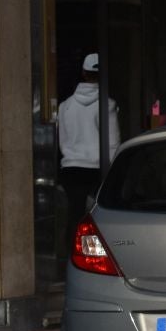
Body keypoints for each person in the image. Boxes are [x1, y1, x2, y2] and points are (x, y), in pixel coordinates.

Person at [52, 52, 122, 237]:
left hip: (71, 169)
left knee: (74, 219)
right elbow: (113, 143)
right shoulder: (107, 104)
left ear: (83, 73)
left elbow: (63, 141)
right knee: (98, 223)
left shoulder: (65, 106)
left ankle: (71, 259)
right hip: (97, 170)